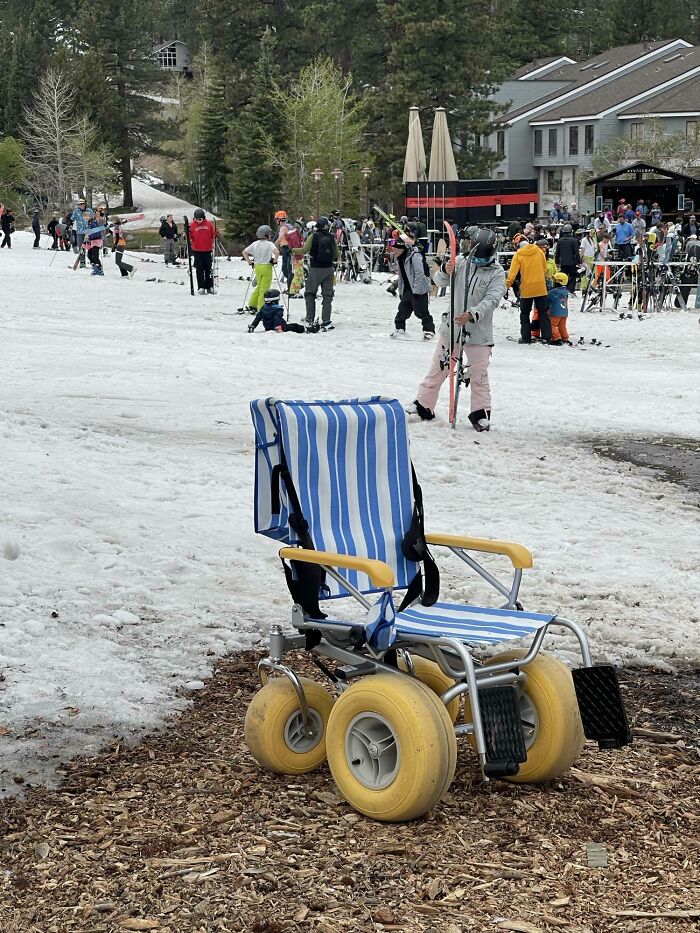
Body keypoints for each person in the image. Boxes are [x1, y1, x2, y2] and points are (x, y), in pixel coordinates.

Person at [407, 228, 505, 431]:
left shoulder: (497, 273)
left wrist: (472, 313)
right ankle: (423, 405)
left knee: (478, 374)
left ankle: (480, 413)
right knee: (439, 367)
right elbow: (439, 281)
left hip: (479, 332)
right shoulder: (461, 261)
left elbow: (493, 299)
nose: (477, 260)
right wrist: (445, 270)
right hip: (452, 327)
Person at [292, 216, 337, 332]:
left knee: (310, 293)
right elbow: (336, 254)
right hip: (329, 269)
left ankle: (310, 317)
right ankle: (326, 320)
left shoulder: (313, 236)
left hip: (316, 268)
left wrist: (292, 249)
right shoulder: (331, 237)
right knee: (328, 296)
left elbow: (304, 250)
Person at [506, 234, 551, 343]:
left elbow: (512, 273)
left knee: (525, 314)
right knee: (543, 313)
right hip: (540, 287)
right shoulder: (539, 251)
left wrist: (506, 285)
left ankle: (526, 338)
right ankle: (547, 337)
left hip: (527, 288)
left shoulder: (518, 255)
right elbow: (545, 269)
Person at [389, 236, 435, 340]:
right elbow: (401, 277)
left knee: (421, 311)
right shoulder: (399, 259)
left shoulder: (415, 256)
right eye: (394, 248)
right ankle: (399, 328)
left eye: (397, 248)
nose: (395, 250)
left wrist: (417, 291)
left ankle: (429, 330)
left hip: (419, 289)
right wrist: (401, 291)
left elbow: (419, 274)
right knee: (402, 309)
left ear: (403, 248)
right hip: (407, 289)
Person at [243, 224, 279, 310]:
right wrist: (274, 261)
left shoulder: (255, 244)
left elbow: (244, 252)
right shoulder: (269, 244)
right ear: (266, 235)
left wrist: (250, 262)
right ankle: (261, 308)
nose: (270, 235)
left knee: (259, 286)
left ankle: (252, 304)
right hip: (266, 267)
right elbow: (277, 252)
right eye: (269, 234)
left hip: (257, 267)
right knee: (264, 289)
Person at [189, 207, 217, 294]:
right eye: (197, 219)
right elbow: (189, 237)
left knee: (208, 269)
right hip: (197, 251)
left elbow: (213, 234)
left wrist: (216, 233)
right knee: (199, 270)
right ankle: (201, 287)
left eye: (200, 219)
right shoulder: (192, 225)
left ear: (203, 217)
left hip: (208, 250)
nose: (199, 221)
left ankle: (210, 286)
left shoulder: (208, 224)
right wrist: (186, 234)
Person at [555, 223, 580, 294]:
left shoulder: (560, 240)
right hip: (572, 262)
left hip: (563, 262)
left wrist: (556, 261)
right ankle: (571, 290)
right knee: (573, 276)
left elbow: (557, 252)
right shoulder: (574, 240)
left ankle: (563, 289)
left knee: (563, 276)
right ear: (571, 231)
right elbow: (576, 252)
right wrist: (579, 261)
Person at [547, 272, 570, 345]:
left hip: (555, 312)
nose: (553, 283)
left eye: (554, 281)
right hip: (564, 312)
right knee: (562, 326)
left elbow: (547, 296)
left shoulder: (554, 291)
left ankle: (556, 339)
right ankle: (565, 337)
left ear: (559, 281)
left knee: (551, 325)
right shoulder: (565, 291)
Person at [70, 197, 94, 267]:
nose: (81, 205)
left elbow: (93, 220)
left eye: (82, 204)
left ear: (84, 204)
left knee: (90, 247)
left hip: (88, 232)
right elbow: (71, 219)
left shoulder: (89, 211)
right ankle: (82, 261)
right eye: (79, 204)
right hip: (79, 232)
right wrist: (69, 224)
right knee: (81, 247)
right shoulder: (76, 211)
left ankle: (92, 261)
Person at [274, 210, 294, 289]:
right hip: (290, 248)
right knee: (289, 268)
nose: (276, 221)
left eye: (276, 220)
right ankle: (293, 283)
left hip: (286, 249)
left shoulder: (283, 227)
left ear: (279, 220)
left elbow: (281, 237)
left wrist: (274, 245)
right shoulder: (289, 226)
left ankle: (292, 284)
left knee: (285, 268)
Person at [86, 206, 106, 275]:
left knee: (94, 256)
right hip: (92, 241)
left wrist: (89, 234)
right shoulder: (90, 224)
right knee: (89, 255)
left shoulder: (93, 223)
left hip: (96, 241)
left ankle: (99, 269)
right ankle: (95, 268)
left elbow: (96, 233)